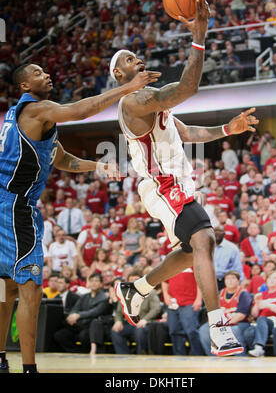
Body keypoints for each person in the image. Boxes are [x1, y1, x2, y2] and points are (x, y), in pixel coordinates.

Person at [113, 0, 259, 357]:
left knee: (197, 246)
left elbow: (187, 133)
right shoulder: (132, 103)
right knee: (206, 236)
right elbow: (185, 89)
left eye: (137, 56)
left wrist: (228, 127)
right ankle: (219, 326)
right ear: (119, 75)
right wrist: (199, 36)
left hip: (177, 184)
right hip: (161, 186)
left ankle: (138, 289)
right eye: (129, 59)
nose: (138, 60)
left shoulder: (154, 106)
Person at [0, 63, 160, 373]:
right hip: (15, 207)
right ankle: (30, 368)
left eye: (44, 70)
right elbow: (79, 111)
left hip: (5, 204)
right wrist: (127, 88)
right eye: (36, 71)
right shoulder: (35, 109)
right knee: (30, 286)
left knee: (5, 287)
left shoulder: (31, 119)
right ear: (23, 86)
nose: (46, 74)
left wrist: (97, 167)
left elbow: (62, 159)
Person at [199, 271, 254, 356]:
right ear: (224, 281)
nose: (230, 281)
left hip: (240, 323)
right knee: (204, 330)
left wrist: (224, 325)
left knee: (233, 330)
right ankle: (214, 357)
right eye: (228, 278)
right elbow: (213, 312)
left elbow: (241, 315)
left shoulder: (243, 294)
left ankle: (241, 357)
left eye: (233, 278)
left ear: (238, 281)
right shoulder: (220, 293)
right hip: (222, 323)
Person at [53, 273, 112, 353]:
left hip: (92, 326)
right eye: (91, 281)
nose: (93, 283)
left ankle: (84, 353)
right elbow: (75, 308)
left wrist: (79, 315)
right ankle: (75, 352)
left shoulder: (104, 298)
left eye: (96, 281)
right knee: (60, 335)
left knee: (83, 336)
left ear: (101, 284)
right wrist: (72, 315)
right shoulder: (84, 296)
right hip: (78, 324)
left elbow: (95, 312)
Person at [111, 272, 161, 354]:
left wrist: (145, 319)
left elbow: (156, 308)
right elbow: (119, 312)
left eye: (136, 280)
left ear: (141, 281)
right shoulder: (125, 294)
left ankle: (140, 355)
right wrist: (118, 321)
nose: (134, 282)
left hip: (144, 323)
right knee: (115, 331)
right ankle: (123, 356)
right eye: (131, 280)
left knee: (140, 331)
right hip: (129, 323)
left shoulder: (151, 293)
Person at [248, 270, 276, 357]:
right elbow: (254, 315)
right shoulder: (262, 294)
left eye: (274, 278)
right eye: (269, 278)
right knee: (249, 332)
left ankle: (259, 347)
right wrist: (257, 304)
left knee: (261, 319)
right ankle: (255, 352)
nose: (271, 280)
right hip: (262, 323)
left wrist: (269, 305)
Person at [162, 268, 203, 355]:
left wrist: (199, 299)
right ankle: (179, 356)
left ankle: (198, 355)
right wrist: (165, 294)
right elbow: (164, 280)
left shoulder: (193, 262)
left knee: (191, 331)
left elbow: (200, 281)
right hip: (173, 302)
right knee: (174, 331)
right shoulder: (171, 263)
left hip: (190, 302)